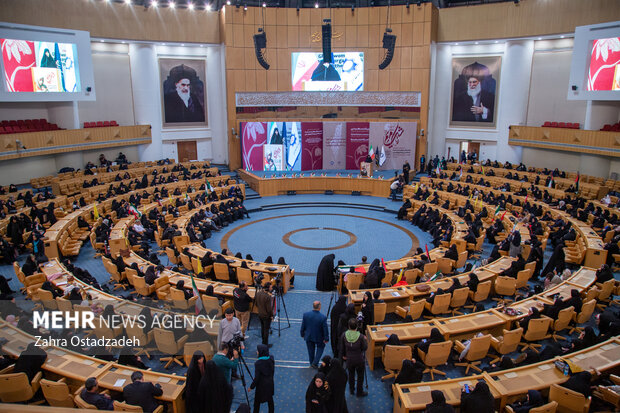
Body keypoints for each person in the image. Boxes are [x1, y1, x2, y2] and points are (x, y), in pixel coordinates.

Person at [340, 318, 368, 397]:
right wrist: (365, 341)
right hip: (359, 359)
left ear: (348, 326)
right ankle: (359, 392)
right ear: (357, 327)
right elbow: (365, 348)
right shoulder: (361, 337)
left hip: (349, 359)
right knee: (360, 376)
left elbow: (342, 348)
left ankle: (351, 390)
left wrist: (343, 356)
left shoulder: (344, 335)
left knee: (351, 375)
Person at [300, 301, 329, 368]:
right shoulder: (323, 317)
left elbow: (303, 326)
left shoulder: (306, 315)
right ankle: (315, 363)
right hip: (319, 337)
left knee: (310, 350)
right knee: (320, 348)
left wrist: (302, 334)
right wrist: (326, 338)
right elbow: (325, 329)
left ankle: (311, 363)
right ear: (319, 307)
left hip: (309, 335)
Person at [249, 344, 275, 413]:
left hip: (261, 387)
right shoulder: (271, 359)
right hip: (270, 384)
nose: (257, 352)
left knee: (257, 403)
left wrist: (251, 387)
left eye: (257, 351)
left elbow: (256, 378)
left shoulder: (258, 363)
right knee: (270, 401)